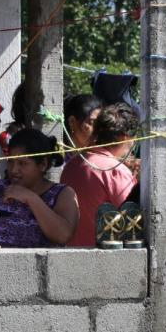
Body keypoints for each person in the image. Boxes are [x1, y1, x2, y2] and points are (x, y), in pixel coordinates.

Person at [0, 128, 78, 248]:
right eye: (11, 162)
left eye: (22, 163)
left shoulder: (62, 194)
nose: (13, 170)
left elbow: (63, 235)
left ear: (43, 164)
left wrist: (31, 198)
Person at [60, 103, 139, 247]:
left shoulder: (72, 165)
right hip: (104, 257)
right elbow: (132, 219)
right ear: (125, 138)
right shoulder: (116, 171)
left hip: (71, 254)